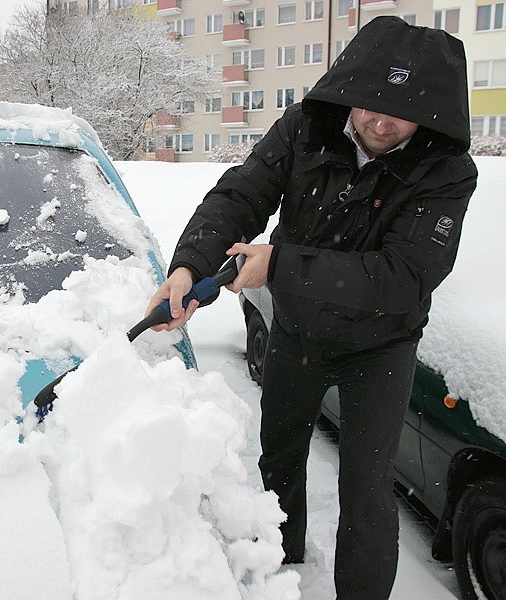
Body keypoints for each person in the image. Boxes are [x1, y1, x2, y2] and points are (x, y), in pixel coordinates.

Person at [146, 16, 477, 600]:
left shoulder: (446, 172)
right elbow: (242, 194)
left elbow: (407, 276)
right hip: (298, 332)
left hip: (380, 347)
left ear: (430, 116)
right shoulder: (306, 128)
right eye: (370, 104)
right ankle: (281, 564)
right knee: (280, 454)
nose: (380, 121)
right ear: (348, 93)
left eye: (399, 113)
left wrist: (280, 265)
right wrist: (189, 266)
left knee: (368, 490)